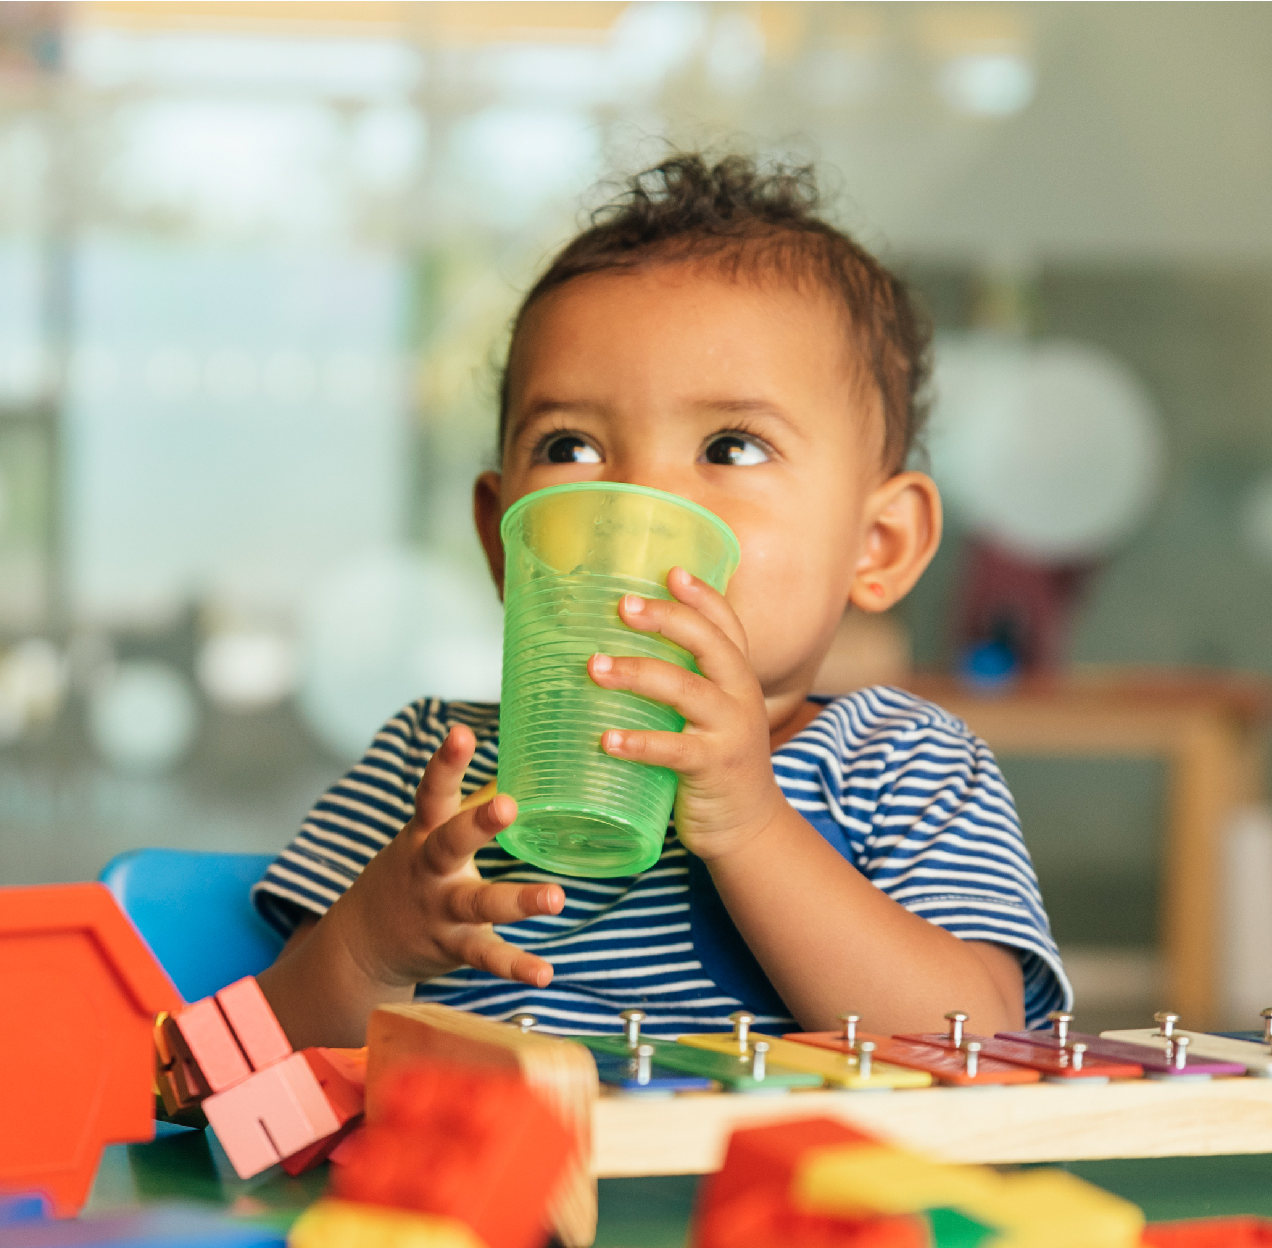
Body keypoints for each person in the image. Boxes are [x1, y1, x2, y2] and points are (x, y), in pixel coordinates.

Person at [254, 153, 1070, 1048]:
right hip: (462, 1183)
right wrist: (372, 948)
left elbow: (982, 1042)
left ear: (880, 544)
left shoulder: (902, 767)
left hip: (781, 1185)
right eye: (569, 447)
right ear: (503, 536)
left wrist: (754, 825)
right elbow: (243, 1064)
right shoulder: (431, 763)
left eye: (730, 448)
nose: (637, 509)